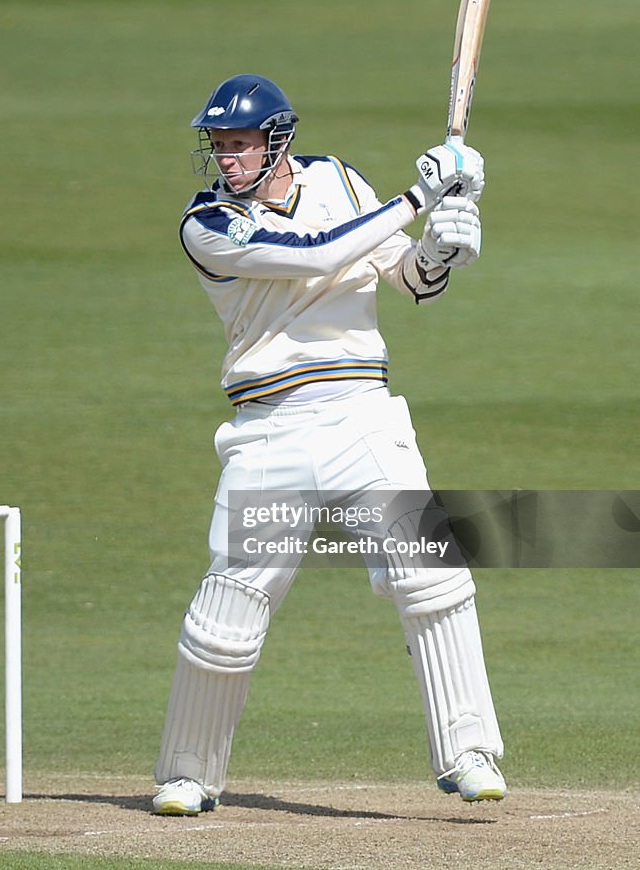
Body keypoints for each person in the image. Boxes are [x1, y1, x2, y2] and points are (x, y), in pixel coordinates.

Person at [153, 73, 506, 815]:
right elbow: (315, 254)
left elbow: (401, 275)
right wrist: (418, 199)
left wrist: (438, 251)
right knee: (230, 610)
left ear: (278, 138)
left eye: (240, 142)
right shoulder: (208, 223)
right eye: (218, 143)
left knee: (433, 577)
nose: (227, 155)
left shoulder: (340, 180)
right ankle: (188, 773)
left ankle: (470, 751)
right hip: (269, 431)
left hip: (363, 417)